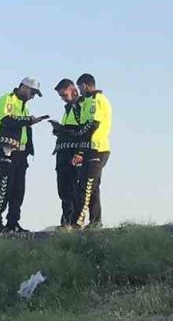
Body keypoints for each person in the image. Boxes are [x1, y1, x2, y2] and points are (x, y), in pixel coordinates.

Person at [0, 78, 50, 235]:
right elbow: (6, 119)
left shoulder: (25, 108)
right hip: (7, 149)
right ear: (23, 87)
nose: (32, 96)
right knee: (5, 186)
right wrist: (29, 121)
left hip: (21, 152)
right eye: (32, 92)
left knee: (18, 189)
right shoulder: (7, 99)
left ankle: (13, 223)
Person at [68, 73, 112, 228]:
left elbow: (93, 124)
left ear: (85, 85)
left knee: (86, 186)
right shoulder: (87, 102)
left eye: (80, 88)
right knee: (93, 188)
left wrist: (78, 134)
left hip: (97, 148)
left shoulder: (97, 100)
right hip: (89, 149)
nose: (80, 91)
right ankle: (95, 222)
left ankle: (77, 222)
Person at [49, 79, 91, 228]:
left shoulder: (82, 106)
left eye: (64, 95)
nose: (63, 98)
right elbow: (69, 130)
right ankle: (66, 221)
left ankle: (74, 221)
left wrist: (80, 151)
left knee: (74, 188)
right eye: (61, 96)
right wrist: (59, 130)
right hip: (62, 151)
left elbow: (84, 131)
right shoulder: (68, 108)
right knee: (63, 189)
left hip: (74, 152)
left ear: (74, 90)